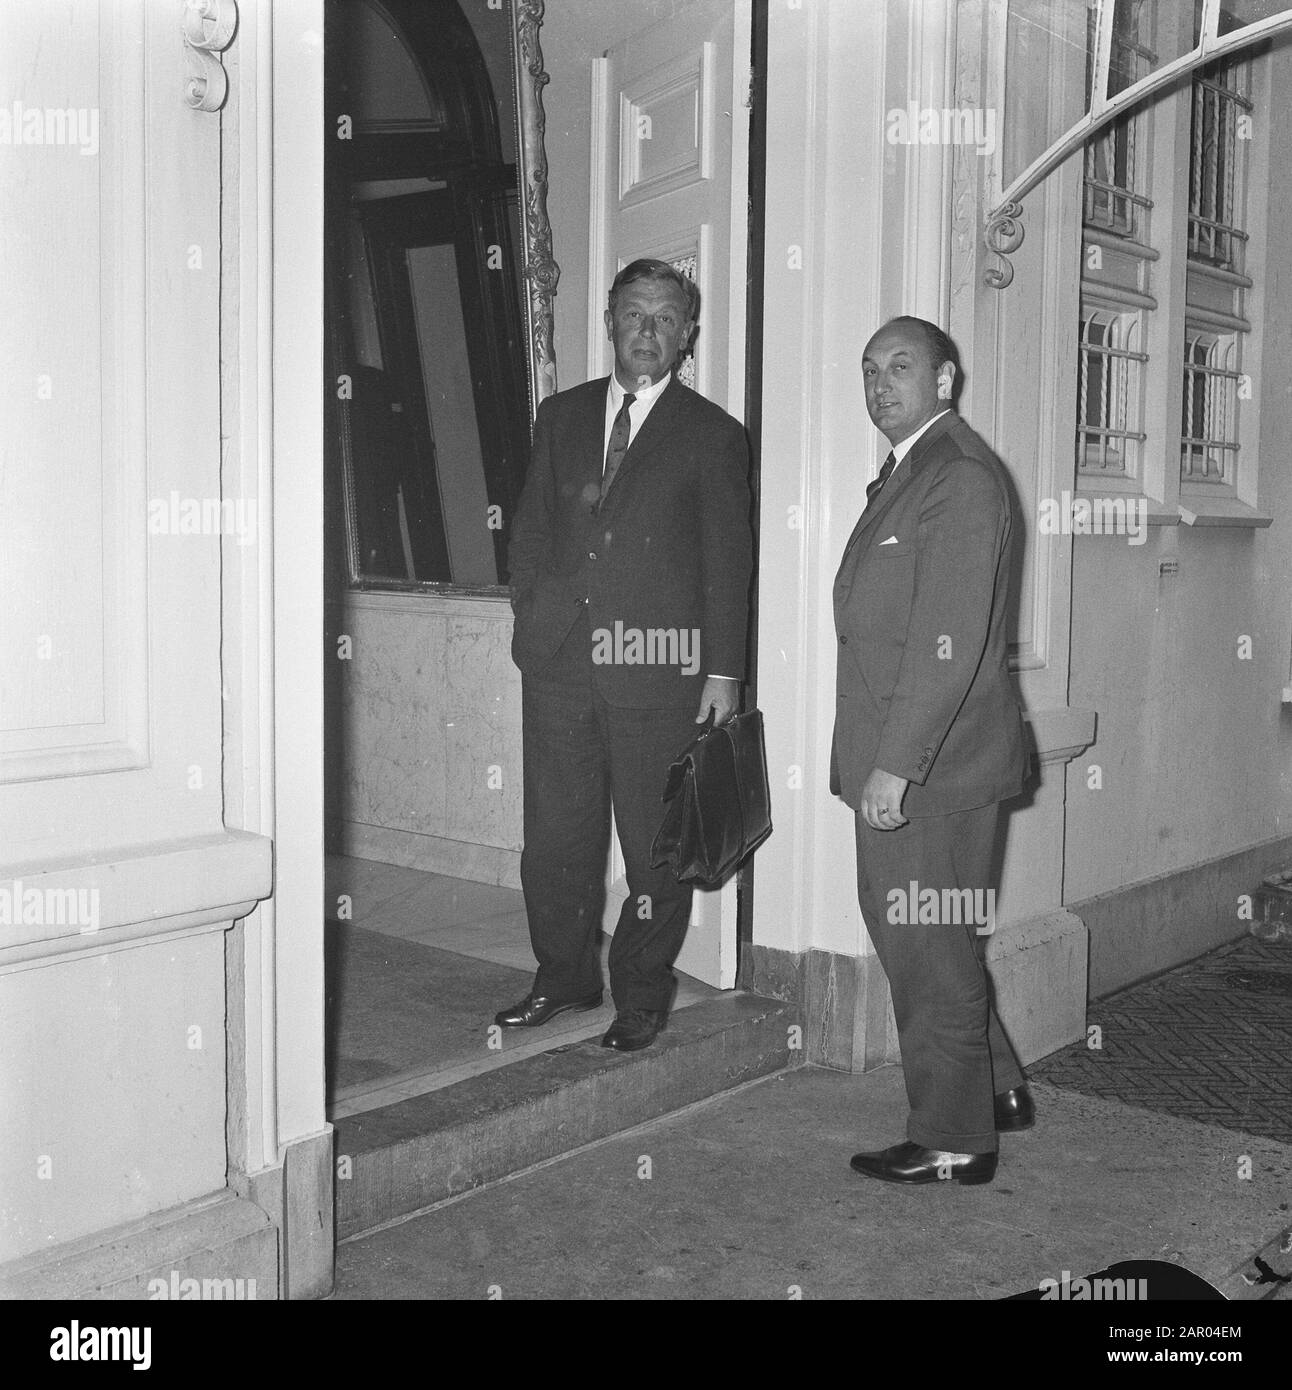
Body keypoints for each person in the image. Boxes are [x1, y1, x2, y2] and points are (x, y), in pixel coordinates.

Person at [498, 259, 753, 1052]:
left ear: (688, 336)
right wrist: (530, 616)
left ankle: (641, 994)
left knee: (652, 846)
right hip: (561, 665)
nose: (648, 330)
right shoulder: (563, 415)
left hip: (661, 674)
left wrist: (723, 671)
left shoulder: (713, 435)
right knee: (556, 840)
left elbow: (729, 560)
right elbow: (533, 529)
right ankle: (565, 976)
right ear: (608, 321)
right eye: (634, 313)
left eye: (666, 317)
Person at [832, 315, 1032, 1185]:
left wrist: (894, 765)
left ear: (945, 380)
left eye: (902, 367)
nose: (882, 384)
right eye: (870, 369)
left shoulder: (956, 477)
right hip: (935, 761)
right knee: (935, 934)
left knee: (924, 945)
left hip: (932, 770)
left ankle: (955, 1136)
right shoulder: (918, 469)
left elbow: (944, 642)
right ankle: (999, 1090)